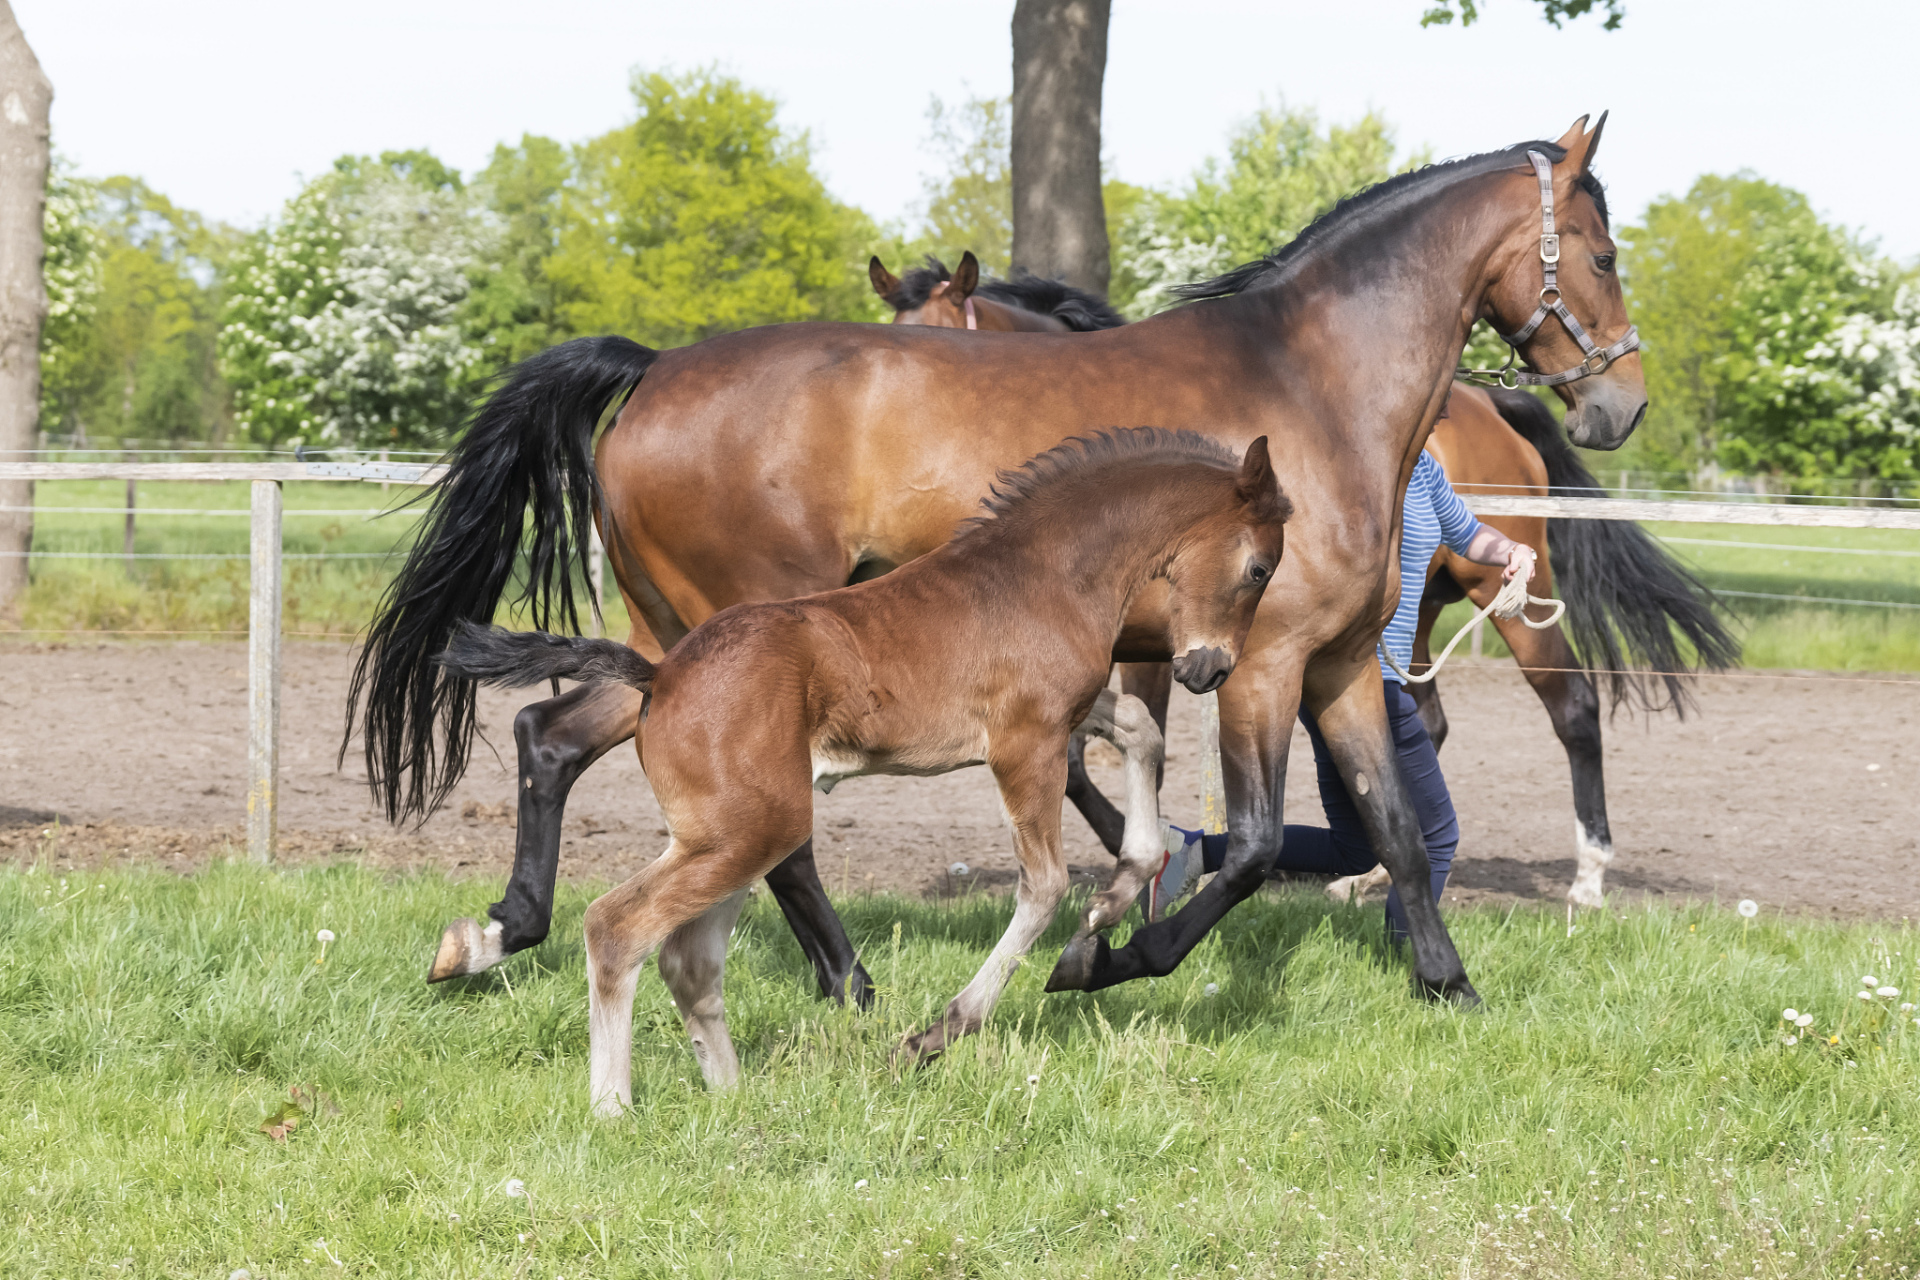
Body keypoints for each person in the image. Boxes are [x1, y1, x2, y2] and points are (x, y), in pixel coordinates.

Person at [1141, 449, 1538, 942]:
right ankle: (1410, 955)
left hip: (1359, 685)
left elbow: (1466, 532)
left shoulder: (1425, 470)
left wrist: (1511, 551)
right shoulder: (1342, 463)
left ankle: (1191, 852)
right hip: (1357, 683)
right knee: (1436, 836)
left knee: (1355, 850)